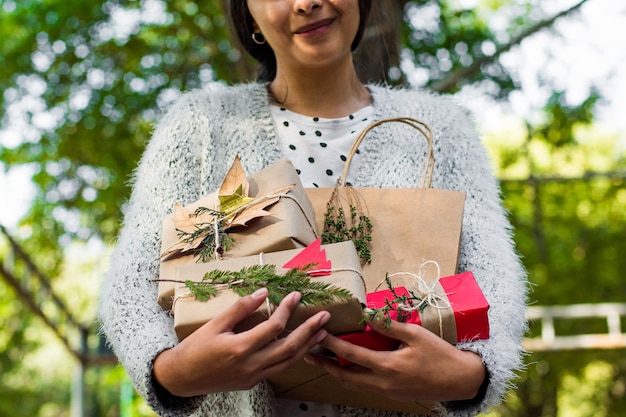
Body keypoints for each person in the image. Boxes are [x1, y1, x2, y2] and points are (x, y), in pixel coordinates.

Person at [98, 0, 528, 416]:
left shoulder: (442, 126)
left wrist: (473, 376)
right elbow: (133, 282)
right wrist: (168, 373)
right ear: (247, 13)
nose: (307, 3)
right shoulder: (200, 125)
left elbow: (494, 275)